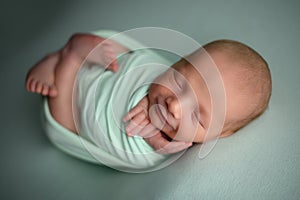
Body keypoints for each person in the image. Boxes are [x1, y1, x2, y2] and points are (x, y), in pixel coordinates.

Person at [25, 30, 271, 171]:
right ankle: (64, 56)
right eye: (180, 82)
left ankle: (67, 60)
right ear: (180, 60)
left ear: (221, 132)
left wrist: (154, 138)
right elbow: (147, 82)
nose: (175, 106)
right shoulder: (157, 74)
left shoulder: (161, 150)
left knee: (63, 121)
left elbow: (131, 142)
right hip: (109, 68)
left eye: (197, 115)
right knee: (127, 59)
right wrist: (145, 101)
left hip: (78, 108)